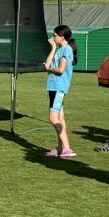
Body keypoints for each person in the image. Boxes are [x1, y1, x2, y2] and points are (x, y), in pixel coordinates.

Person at [43, 25, 77, 157]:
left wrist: (49, 69)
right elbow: (48, 63)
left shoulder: (66, 50)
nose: (53, 37)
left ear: (62, 36)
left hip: (58, 87)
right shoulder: (59, 49)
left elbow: (60, 69)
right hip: (53, 87)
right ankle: (60, 148)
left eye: (55, 35)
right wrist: (52, 48)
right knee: (60, 118)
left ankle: (67, 149)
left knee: (53, 117)